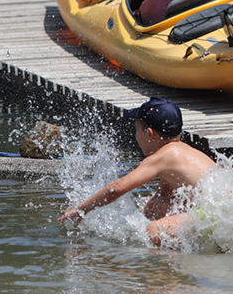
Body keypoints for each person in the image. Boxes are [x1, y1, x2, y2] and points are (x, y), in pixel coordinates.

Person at [57, 97, 216, 248]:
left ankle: (170, 269)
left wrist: (80, 210)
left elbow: (118, 188)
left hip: (216, 218)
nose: (135, 136)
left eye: (137, 130)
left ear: (149, 133)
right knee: (154, 206)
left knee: (154, 231)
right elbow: (160, 199)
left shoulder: (162, 157)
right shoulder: (183, 153)